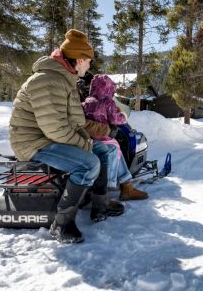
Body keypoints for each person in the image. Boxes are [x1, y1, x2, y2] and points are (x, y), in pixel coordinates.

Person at [9, 29, 124, 244]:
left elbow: (73, 122)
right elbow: (56, 129)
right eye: (88, 61)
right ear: (79, 60)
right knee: (89, 163)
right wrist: (84, 144)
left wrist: (93, 138)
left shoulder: (64, 79)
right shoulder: (48, 81)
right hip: (34, 143)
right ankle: (61, 224)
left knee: (101, 149)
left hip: (49, 138)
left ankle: (100, 205)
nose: (89, 66)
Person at [82, 74, 148, 200]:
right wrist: (123, 115)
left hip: (91, 138)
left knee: (118, 152)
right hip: (105, 137)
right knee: (114, 150)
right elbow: (116, 119)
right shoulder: (108, 102)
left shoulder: (86, 102)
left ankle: (127, 186)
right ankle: (107, 190)